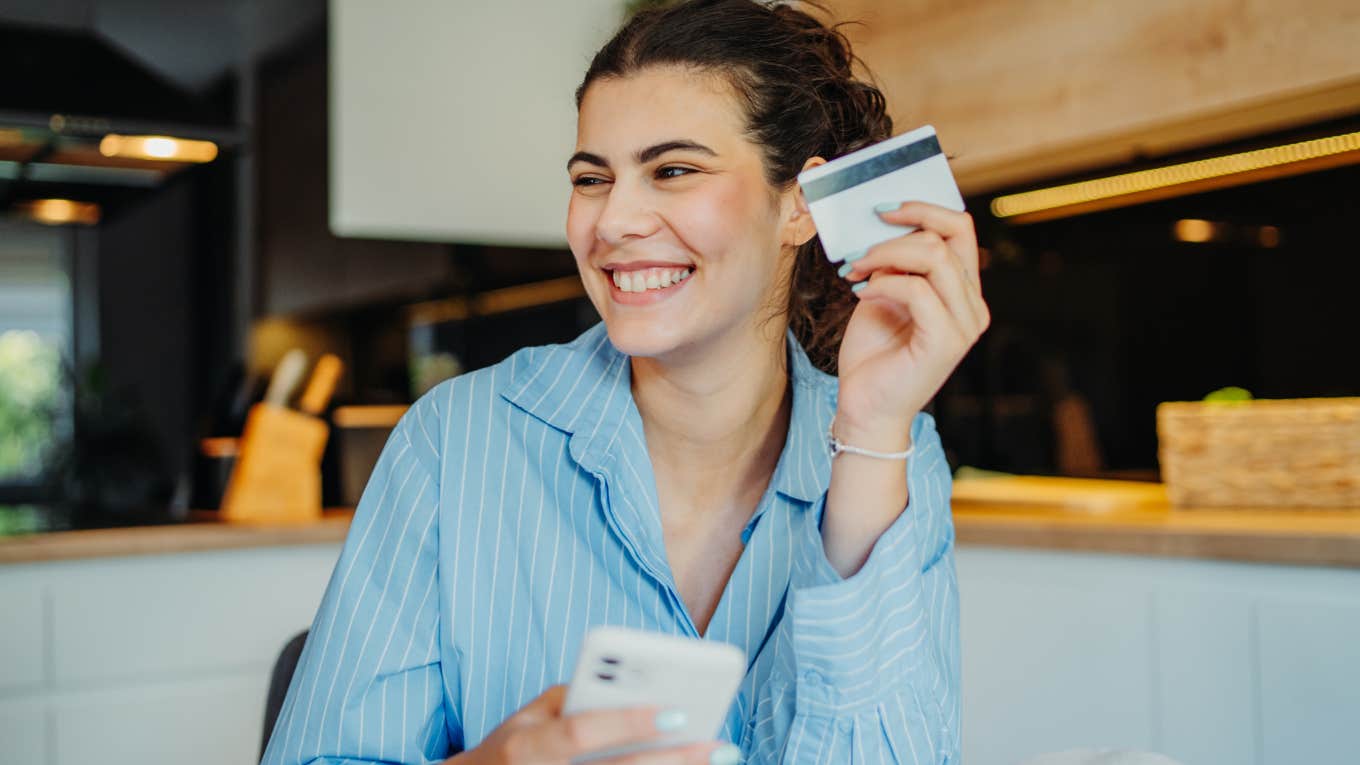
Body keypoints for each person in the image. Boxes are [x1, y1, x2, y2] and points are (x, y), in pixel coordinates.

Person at [261, 0, 989, 763]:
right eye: (591, 177)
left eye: (672, 170)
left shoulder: (897, 455)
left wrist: (872, 430)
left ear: (799, 205)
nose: (613, 220)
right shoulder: (454, 442)